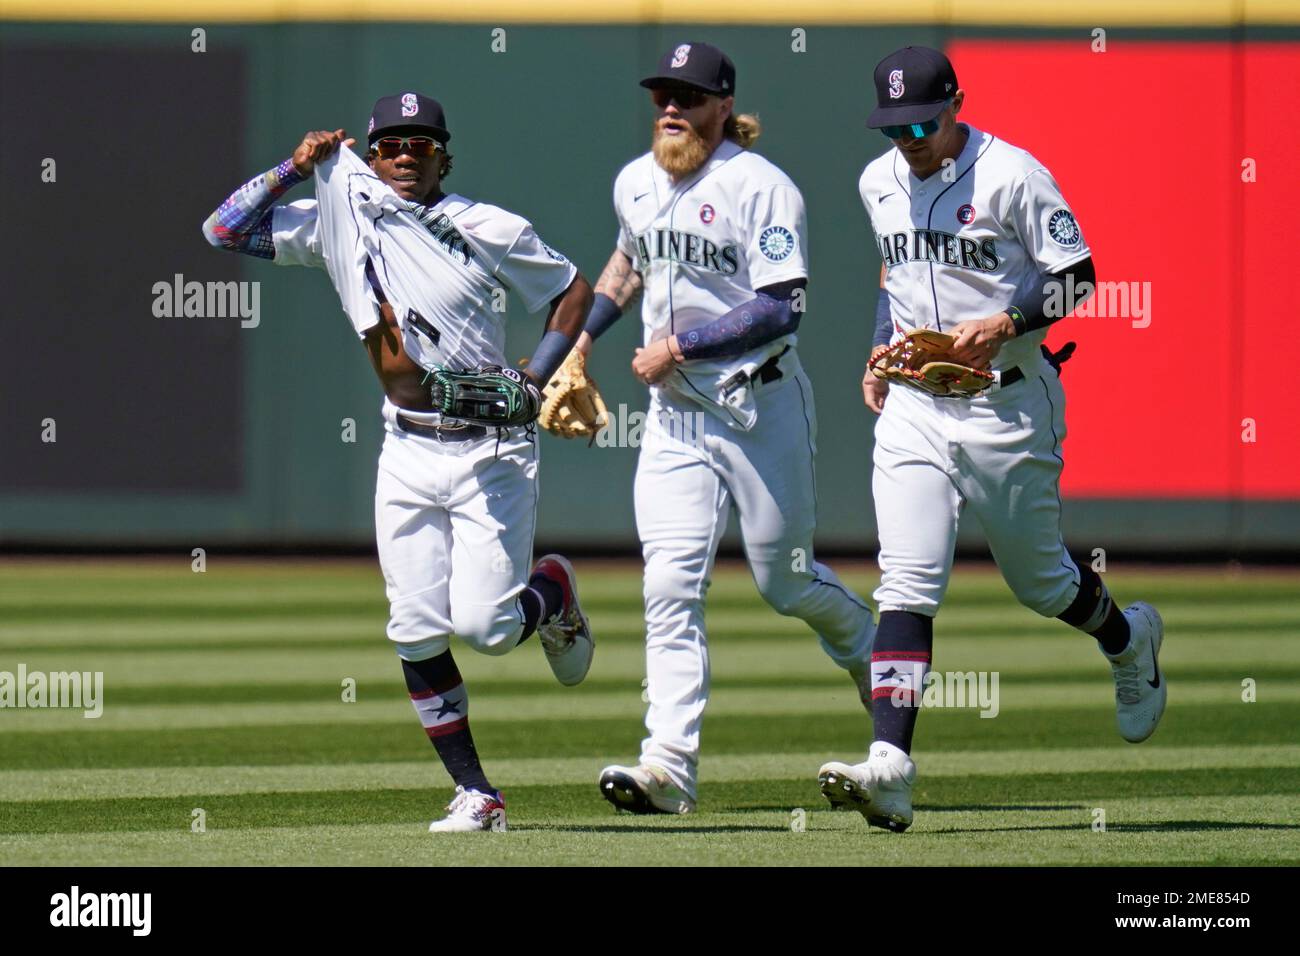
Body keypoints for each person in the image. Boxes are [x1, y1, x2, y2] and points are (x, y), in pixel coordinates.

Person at [201, 91, 595, 832]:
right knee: (414, 627)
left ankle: (554, 590)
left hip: (490, 451)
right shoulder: (338, 222)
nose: (405, 155)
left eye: (421, 144)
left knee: (487, 629)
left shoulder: (489, 226)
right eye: (390, 146)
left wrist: (535, 378)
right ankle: (477, 793)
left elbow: (573, 291)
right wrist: (295, 167)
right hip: (408, 445)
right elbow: (223, 229)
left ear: (446, 154)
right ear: (370, 156)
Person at [817, 46, 1167, 833]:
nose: (908, 137)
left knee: (1043, 583)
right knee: (905, 583)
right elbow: (893, 273)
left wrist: (1007, 322)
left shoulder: (1012, 174)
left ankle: (1129, 640)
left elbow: (1079, 274)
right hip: (914, 406)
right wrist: (883, 349)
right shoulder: (879, 181)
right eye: (893, 125)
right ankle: (891, 767)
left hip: (1006, 404)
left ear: (957, 105)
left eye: (923, 122)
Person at [576, 43, 877, 814]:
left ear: (721, 105)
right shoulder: (636, 182)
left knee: (785, 582)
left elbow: (782, 305)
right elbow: (627, 263)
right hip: (675, 419)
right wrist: (576, 346)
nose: (670, 108)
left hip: (759, 406)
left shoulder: (760, 187)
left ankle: (877, 657)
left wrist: (677, 345)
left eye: (688, 96)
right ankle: (668, 766)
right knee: (669, 585)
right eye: (661, 96)